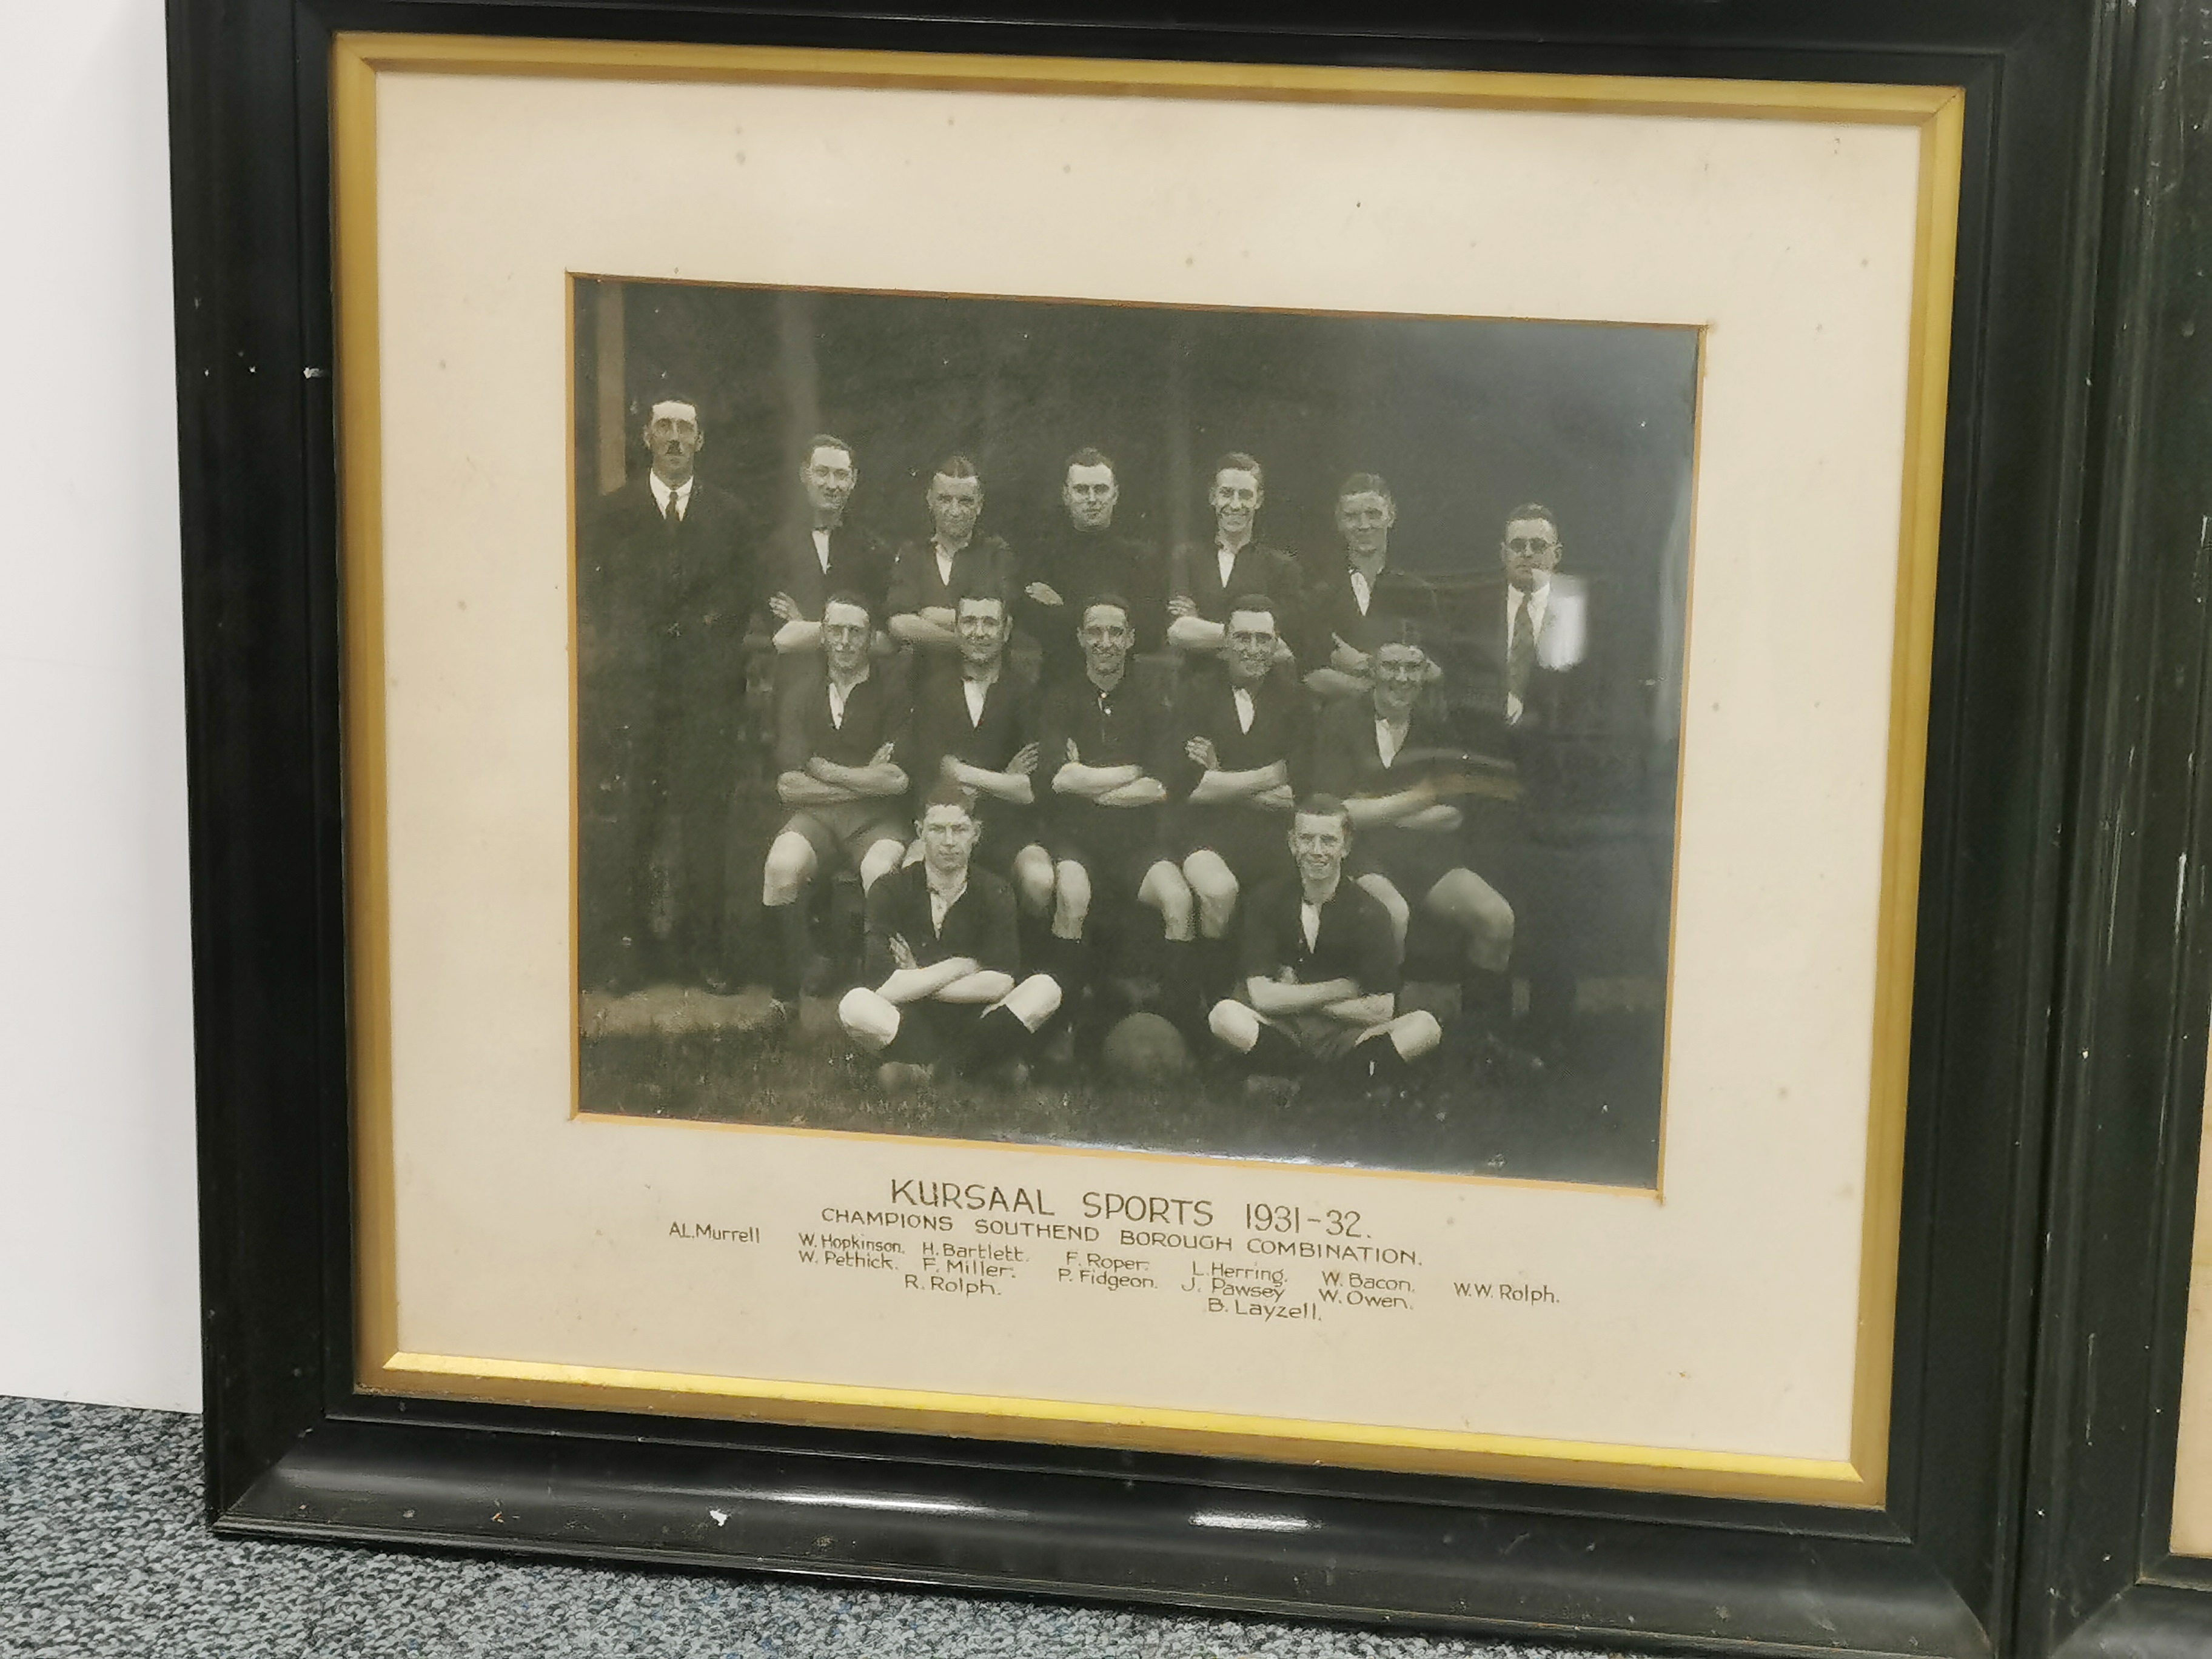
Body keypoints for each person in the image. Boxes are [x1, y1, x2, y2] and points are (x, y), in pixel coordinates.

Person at [577, 392, 756, 994]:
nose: (676, 438)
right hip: (639, 694)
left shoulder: (730, 515)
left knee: (705, 824)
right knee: (634, 821)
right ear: (647, 438)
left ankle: (705, 954)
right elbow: (600, 599)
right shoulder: (613, 513)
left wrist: (695, 638)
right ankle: (626, 955)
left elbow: (736, 602)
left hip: (704, 696)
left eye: (686, 428)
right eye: (665, 428)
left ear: (701, 441)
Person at [1313, 625, 1522, 1052]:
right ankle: (1382, 1042)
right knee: (1393, 914)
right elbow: (1336, 812)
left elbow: (1451, 815)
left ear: (1425, 673)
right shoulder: (1340, 719)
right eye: (1391, 666)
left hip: (1426, 857)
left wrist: (1377, 806)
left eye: (1413, 668)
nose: (1402, 678)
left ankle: (1479, 1044)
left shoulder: (1438, 726)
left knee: (1498, 919)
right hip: (1360, 856)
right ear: (1372, 668)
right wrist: (1419, 797)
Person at [837, 781, 1065, 1091]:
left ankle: (934, 1070)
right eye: (937, 829)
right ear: (920, 832)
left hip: (979, 1019)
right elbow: (883, 985)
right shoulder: (890, 889)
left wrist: (917, 976)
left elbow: (1001, 982)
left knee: (1046, 989)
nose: (948, 842)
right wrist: (959, 965)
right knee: (854, 1005)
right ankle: (973, 1070)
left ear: (976, 834)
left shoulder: (995, 891)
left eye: (959, 830)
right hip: (911, 1018)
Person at [1207, 796, 1441, 1094]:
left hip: (1345, 1036)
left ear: (1346, 847)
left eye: (1328, 841)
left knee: (1425, 1027)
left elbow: (1382, 1010)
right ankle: (1331, 1082)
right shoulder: (1266, 900)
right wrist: (1343, 988)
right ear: (1292, 843)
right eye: (1307, 839)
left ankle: (1304, 1082)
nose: (1317, 851)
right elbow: (1263, 998)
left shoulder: (1371, 911)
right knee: (1224, 1016)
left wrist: (1294, 991)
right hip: (1283, 1027)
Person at [1037, 594, 1191, 1022]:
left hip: (1136, 843)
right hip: (1075, 839)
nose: (1105, 642)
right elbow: (1059, 778)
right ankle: (1060, 1025)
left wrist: (1087, 778)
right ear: (1081, 638)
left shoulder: (1152, 700)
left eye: (1116, 632)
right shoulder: (1060, 697)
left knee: (1178, 899)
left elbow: (1160, 785)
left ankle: (1172, 1024)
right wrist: (1134, 769)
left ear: (1130, 640)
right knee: (1072, 895)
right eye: (1096, 632)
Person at [760, 591, 911, 1017]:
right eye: (836, 631)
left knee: (880, 872)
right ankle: (784, 1000)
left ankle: (885, 1007)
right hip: (816, 818)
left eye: (856, 632)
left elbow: (897, 780)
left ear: (871, 639)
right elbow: (790, 787)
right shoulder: (802, 693)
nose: (845, 642)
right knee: (780, 867)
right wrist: (865, 779)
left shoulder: (893, 693)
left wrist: (827, 772)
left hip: (878, 822)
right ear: (822, 636)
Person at [1164, 596, 1314, 1013]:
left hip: (1272, 836)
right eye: (1243, 637)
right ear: (1225, 641)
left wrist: (1221, 773)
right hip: (1203, 833)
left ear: (1276, 644)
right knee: (1219, 890)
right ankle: (1212, 1006)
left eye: (1263, 639)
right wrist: (1268, 774)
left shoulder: (1296, 700)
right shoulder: (1195, 694)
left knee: (1290, 891)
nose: (1252, 648)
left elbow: (1297, 792)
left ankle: (1265, 1009)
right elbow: (1189, 789)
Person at [899, 587, 1054, 916]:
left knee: (1039, 878)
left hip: (1007, 828)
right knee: (913, 868)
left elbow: (1028, 791)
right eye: (969, 622)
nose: (979, 633)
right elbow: (933, 772)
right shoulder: (932, 692)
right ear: (956, 629)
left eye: (989, 623)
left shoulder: (1026, 694)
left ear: (1006, 629)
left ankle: (1029, 964)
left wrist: (963, 773)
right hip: (947, 825)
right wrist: (1002, 779)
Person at [760, 434, 894, 711]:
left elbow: (884, 639)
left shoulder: (875, 552)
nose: (832, 485)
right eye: (822, 473)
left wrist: (805, 623)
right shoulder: (776, 548)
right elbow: (782, 637)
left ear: (854, 480)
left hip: (860, 696)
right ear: (804, 475)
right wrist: (851, 631)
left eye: (841, 475)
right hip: (795, 693)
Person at [1017, 447, 1162, 686]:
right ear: (1066, 495)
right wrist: (1114, 622)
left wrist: (1062, 609)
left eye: (1101, 490)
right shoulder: (1043, 556)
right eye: (1082, 490)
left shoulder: (1139, 557)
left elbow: (1150, 634)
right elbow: (1035, 626)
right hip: (1057, 688)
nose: (1092, 499)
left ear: (1115, 495)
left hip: (1121, 689)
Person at [1299, 473, 1445, 701]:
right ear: (1339, 521)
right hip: (1335, 727)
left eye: (1373, 514)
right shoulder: (1319, 592)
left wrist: (1362, 665)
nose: (1364, 525)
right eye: (1352, 516)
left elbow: (1436, 672)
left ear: (1392, 516)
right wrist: (1384, 682)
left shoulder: (1418, 593)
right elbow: (1309, 674)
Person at [1165, 452, 1304, 670]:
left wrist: (1200, 625)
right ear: (1213, 497)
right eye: (1227, 494)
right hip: (1198, 687)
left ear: (1259, 500)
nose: (1236, 505)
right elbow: (1178, 632)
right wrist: (1254, 638)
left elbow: (1283, 650)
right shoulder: (1187, 557)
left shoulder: (1281, 567)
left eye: (1245, 495)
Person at [885, 454, 1014, 679]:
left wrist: (928, 615)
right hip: (921, 681)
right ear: (930, 500)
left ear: (979, 505)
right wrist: (972, 643)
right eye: (945, 499)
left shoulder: (996, 553)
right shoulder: (912, 554)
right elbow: (899, 624)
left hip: (983, 683)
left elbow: (1002, 620)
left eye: (965, 501)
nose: (955, 511)